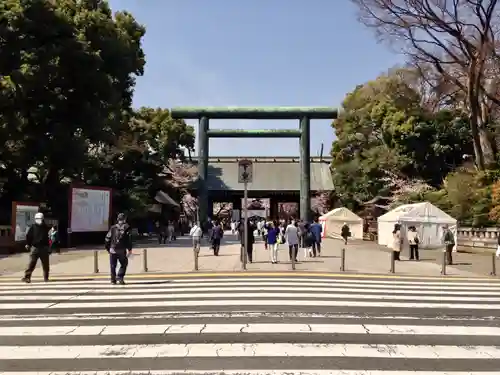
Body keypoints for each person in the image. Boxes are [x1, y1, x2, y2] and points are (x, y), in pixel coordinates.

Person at [22, 212, 50, 283]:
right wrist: (28, 244)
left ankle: (46, 277)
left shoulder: (46, 227)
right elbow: (29, 236)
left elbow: (48, 238)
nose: (39, 220)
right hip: (35, 248)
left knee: (45, 264)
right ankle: (27, 277)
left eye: (40, 219)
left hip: (44, 248)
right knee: (31, 263)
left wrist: (49, 247)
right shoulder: (33, 227)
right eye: (37, 219)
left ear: (43, 219)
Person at [104, 213, 132, 285]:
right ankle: (120, 277)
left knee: (113, 265)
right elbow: (129, 239)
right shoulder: (127, 227)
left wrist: (108, 248)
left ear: (117, 219)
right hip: (122, 250)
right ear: (124, 219)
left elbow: (107, 238)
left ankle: (113, 280)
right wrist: (129, 249)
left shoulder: (113, 228)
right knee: (124, 263)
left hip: (113, 249)